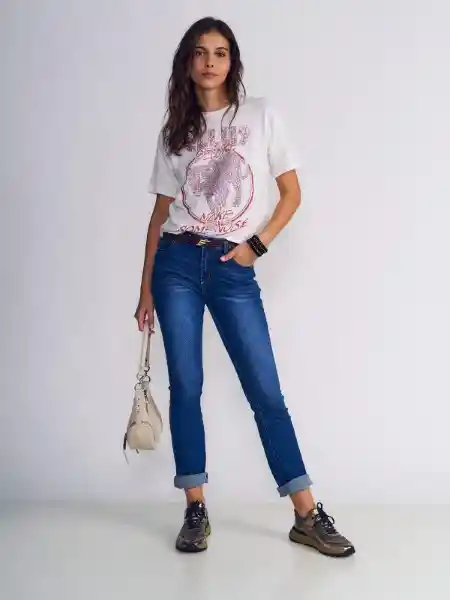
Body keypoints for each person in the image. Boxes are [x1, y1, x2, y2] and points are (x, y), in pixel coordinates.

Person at [135, 16, 355, 558]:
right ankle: (195, 508)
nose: (210, 61)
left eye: (220, 52)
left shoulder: (260, 115)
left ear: (232, 62)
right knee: (186, 386)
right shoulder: (175, 131)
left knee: (265, 391)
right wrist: (144, 291)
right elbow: (159, 215)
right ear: (188, 62)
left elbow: (291, 193)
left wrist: (257, 245)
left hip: (232, 267)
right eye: (200, 52)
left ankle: (306, 514)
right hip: (176, 263)